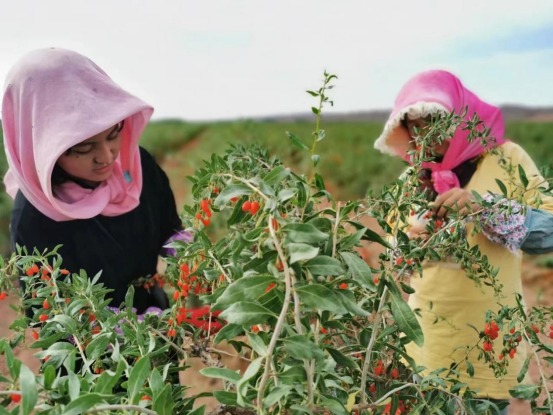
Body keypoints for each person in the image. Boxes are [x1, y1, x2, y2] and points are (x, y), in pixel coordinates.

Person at [374, 70, 553, 414]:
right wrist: (409, 242)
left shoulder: (507, 159)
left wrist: (486, 209)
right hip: (425, 344)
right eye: (417, 126)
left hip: (488, 343)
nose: (429, 133)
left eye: (437, 120)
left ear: (461, 117)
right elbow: (390, 260)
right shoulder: (411, 179)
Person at [1, 47, 187, 319]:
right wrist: (122, 329)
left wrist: (197, 258)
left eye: (113, 134)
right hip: (91, 355)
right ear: (41, 146)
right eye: (84, 148)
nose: (107, 156)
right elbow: (49, 315)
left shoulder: (137, 166)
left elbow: (169, 230)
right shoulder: (32, 218)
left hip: (157, 327)